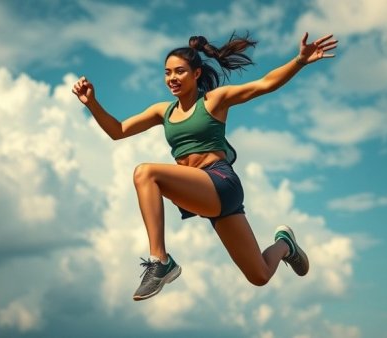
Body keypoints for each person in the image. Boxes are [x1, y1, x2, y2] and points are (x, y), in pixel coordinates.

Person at [73, 31, 337, 301]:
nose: (172, 78)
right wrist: (92, 103)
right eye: (167, 73)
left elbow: (265, 84)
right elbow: (117, 131)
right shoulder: (162, 111)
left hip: (221, 182)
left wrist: (299, 61)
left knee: (145, 173)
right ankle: (285, 244)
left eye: (179, 72)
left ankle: (160, 260)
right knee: (259, 275)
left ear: (197, 73)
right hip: (204, 196)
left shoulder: (213, 101)